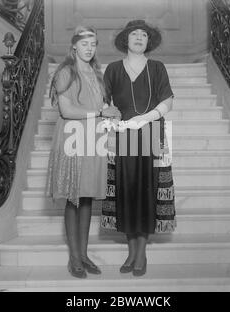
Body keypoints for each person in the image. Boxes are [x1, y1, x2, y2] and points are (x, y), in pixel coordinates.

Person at [101, 20, 176, 277]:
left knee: (146, 192)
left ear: (149, 41)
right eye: (134, 33)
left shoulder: (157, 68)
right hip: (123, 137)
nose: (139, 37)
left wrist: (145, 118)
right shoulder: (112, 69)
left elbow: (168, 101)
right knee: (127, 191)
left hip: (151, 133)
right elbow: (103, 102)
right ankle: (131, 252)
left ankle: (141, 254)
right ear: (125, 39)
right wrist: (112, 119)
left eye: (144, 34)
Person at [46, 26, 121, 279]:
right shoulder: (66, 72)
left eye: (94, 44)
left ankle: (84, 254)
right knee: (74, 197)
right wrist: (100, 113)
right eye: (85, 44)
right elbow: (67, 111)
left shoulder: (96, 73)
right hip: (73, 138)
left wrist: (110, 111)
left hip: (94, 138)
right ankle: (74, 258)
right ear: (74, 46)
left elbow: (101, 105)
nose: (90, 49)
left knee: (87, 197)